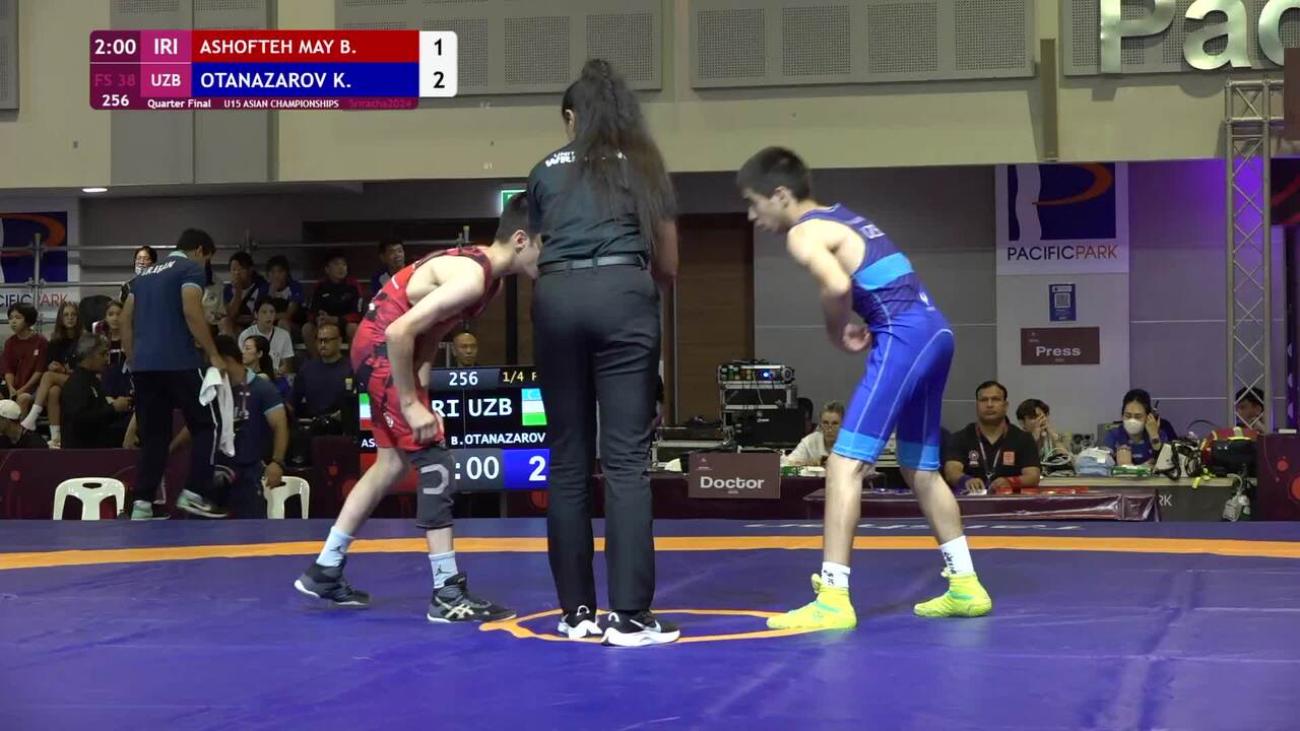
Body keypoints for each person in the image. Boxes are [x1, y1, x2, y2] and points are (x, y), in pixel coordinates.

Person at [737, 146, 991, 631]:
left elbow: (836, 287)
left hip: (904, 335)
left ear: (781, 194)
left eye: (754, 202)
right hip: (935, 332)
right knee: (920, 468)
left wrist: (837, 330)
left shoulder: (804, 231)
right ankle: (966, 585)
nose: (752, 216)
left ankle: (833, 598)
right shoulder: (843, 216)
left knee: (843, 464)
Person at [294, 193, 538, 623]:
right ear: (521, 240)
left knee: (390, 463)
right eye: (549, 244)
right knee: (436, 461)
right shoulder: (474, 277)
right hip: (382, 346)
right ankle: (446, 592)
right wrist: (409, 403)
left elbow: (432, 328)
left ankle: (325, 568)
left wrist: (421, 388)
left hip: (379, 345)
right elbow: (399, 332)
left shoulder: (488, 278)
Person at [527, 59, 681, 647]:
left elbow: (534, 253)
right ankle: (631, 616)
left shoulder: (543, 170)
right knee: (624, 462)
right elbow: (669, 264)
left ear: (572, 118)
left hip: (557, 297)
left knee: (568, 460)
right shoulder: (643, 165)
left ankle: (575, 614)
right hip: (623, 295)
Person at [122, 228, 226, 520]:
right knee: (208, 423)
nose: (206, 266)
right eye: (207, 259)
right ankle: (195, 492)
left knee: (154, 436)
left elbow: (125, 318)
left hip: (144, 368)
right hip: (179, 360)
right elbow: (192, 310)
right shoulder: (190, 268)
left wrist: (133, 358)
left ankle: (142, 503)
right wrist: (214, 353)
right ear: (200, 251)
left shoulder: (143, 276)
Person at [212, 334, 289, 518]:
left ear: (226, 360)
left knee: (251, 529)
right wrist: (172, 448)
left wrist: (277, 462)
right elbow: (199, 425)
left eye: (211, 362)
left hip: (249, 472)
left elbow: (280, 425)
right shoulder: (215, 390)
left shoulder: (262, 389)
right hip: (219, 470)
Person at [944, 382, 1041, 494]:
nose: (989, 405)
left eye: (995, 399)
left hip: (1010, 502)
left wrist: (1010, 481)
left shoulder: (1023, 439)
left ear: (1005, 405)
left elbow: (1033, 476)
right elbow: (951, 471)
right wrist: (966, 480)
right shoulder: (960, 437)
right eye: (983, 400)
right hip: (972, 500)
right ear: (977, 405)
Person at [20, 301, 82, 446]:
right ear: (61, 318)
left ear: (78, 318)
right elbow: (50, 363)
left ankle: (32, 417)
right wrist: (53, 366)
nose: (70, 318)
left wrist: (64, 369)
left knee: (48, 376)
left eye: (73, 314)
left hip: (80, 380)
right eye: (66, 315)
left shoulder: (83, 339)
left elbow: (84, 367)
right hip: (61, 381)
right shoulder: (55, 341)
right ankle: (56, 438)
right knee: (53, 392)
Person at [59, 335, 133, 449]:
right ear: (88, 354)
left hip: (96, 447)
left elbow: (101, 416)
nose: (107, 359)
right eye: (102, 354)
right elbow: (79, 421)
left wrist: (123, 408)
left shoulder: (93, 380)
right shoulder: (77, 383)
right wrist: (113, 408)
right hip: (80, 453)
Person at [302, 252, 363, 359]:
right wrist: (318, 318)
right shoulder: (320, 286)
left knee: (353, 328)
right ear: (327, 269)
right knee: (307, 328)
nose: (341, 268)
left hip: (344, 325)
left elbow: (358, 314)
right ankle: (317, 362)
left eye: (344, 264)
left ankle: (353, 363)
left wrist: (336, 320)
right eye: (336, 264)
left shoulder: (353, 285)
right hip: (325, 324)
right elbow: (311, 312)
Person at [291, 323, 353, 419]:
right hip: (314, 423)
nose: (323, 344)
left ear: (339, 341)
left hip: (344, 423)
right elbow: (292, 401)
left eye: (327, 340)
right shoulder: (307, 369)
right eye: (320, 340)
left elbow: (364, 400)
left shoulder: (351, 369)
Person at [1104, 389, 1175, 467]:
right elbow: (1102, 465)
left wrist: (1154, 437)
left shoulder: (1160, 435)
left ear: (1148, 417)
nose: (1132, 420)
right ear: (1122, 416)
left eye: (1138, 416)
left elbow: (1166, 465)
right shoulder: (1113, 435)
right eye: (1128, 416)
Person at [3, 303, 48, 415]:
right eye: (11, 318)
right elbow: (8, 369)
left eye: (18, 318)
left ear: (28, 320)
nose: (13, 322)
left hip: (35, 388)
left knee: (23, 399)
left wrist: (23, 389)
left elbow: (39, 371)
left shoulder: (40, 341)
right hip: (14, 386)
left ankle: (21, 427)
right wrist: (11, 387)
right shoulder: (10, 343)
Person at [238, 298, 295, 375]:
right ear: (256, 314)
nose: (268, 316)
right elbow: (242, 362)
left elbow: (287, 366)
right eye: (264, 312)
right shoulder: (246, 335)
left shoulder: (284, 335)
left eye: (272, 312)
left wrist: (276, 372)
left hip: (276, 376)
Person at [784, 401, 845, 467]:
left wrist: (822, 462)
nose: (829, 429)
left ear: (843, 425)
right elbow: (787, 463)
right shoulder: (810, 441)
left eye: (835, 423)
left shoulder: (850, 443)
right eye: (825, 423)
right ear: (820, 424)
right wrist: (811, 462)